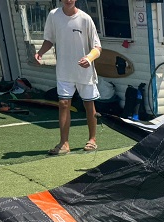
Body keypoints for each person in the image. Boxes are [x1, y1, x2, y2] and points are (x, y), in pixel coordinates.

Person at [35, 0, 101, 155]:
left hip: (84, 72)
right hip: (64, 70)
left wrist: (89, 58)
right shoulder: (54, 15)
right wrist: (40, 53)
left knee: (88, 104)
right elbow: (49, 39)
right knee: (63, 103)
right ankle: (64, 143)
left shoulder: (85, 19)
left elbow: (97, 47)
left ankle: (92, 139)